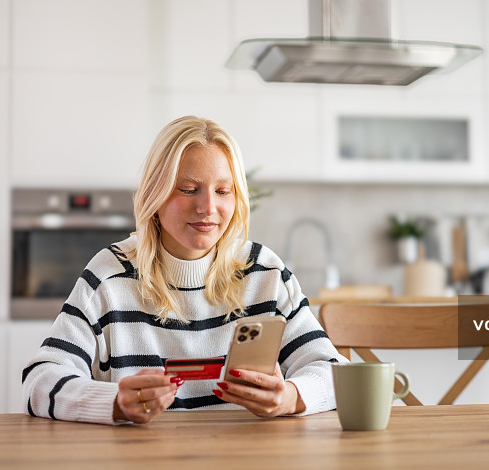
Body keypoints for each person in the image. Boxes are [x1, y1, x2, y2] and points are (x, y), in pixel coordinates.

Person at [22, 116, 347, 425]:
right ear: (155, 194)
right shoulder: (109, 276)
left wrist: (291, 397)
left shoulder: (265, 273)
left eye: (223, 191)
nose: (208, 208)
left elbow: (335, 372)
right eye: (189, 189)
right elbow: (40, 380)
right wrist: (114, 403)